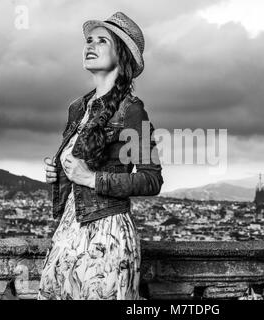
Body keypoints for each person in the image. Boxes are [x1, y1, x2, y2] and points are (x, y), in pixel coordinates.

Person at [38, 12, 163, 300]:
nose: (90, 45)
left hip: (107, 235)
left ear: (122, 55)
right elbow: (77, 172)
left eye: (102, 40)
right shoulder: (77, 107)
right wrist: (58, 173)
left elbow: (151, 179)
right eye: (88, 40)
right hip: (69, 231)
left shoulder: (132, 110)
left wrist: (92, 178)